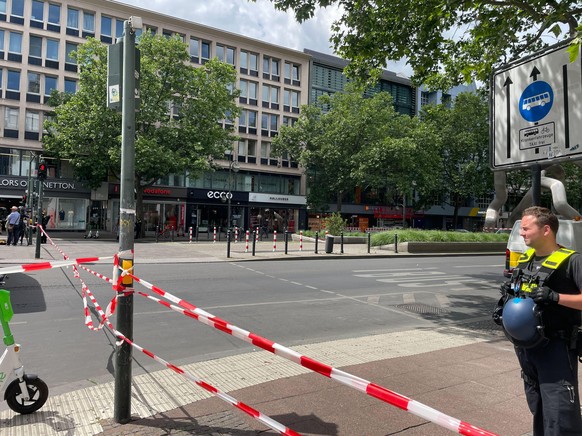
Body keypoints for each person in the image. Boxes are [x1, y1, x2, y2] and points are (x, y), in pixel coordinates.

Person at [499, 206, 582, 435]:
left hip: (556, 347)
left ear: (546, 230)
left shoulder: (572, 261)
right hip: (527, 348)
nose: (522, 233)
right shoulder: (526, 260)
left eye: (526, 228)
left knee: (560, 409)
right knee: (538, 404)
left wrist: (556, 297)